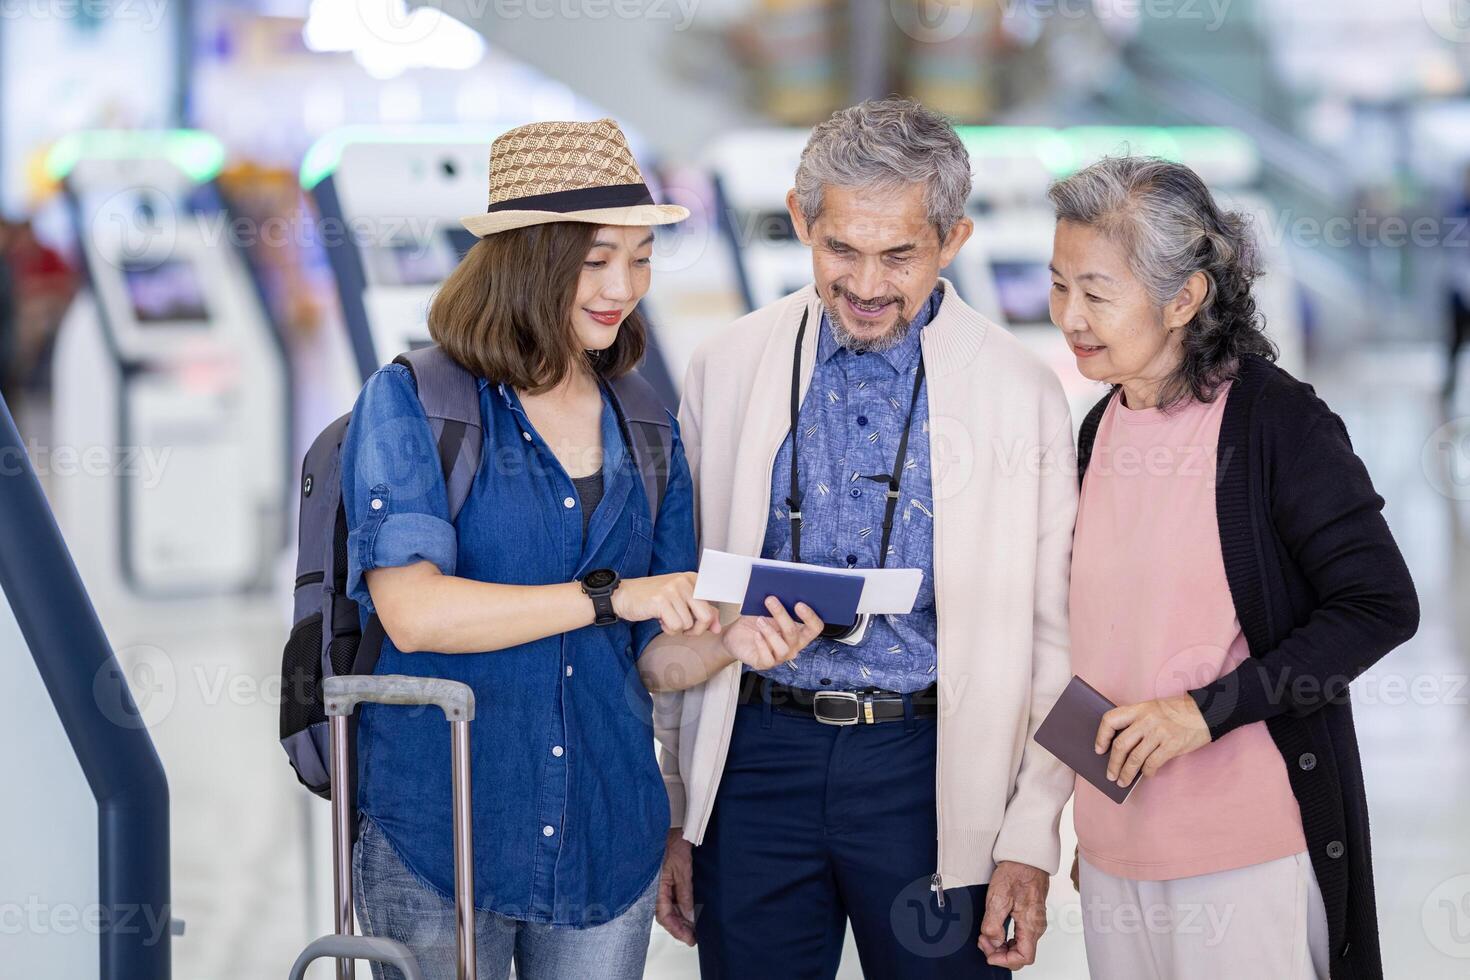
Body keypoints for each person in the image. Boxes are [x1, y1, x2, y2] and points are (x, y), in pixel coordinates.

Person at [639, 97, 1077, 977]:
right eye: (841, 248)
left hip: (933, 768)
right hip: (756, 764)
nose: (868, 283)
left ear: (952, 239)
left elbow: (1056, 640)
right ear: (802, 219)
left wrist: (1031, 836)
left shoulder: (1020, 391)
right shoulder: (726, 367)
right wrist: (678, 813)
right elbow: (681, 602)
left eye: (900, 254)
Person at [340, 118, 719, 980]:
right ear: (528, 258)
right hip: (443, 828)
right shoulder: (417, 403)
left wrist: (733, 636)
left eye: (641, 257)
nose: (623, 285)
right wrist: (607, 596)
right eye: (594, 260)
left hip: (607, 829)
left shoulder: (649, 421)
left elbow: (653, 658)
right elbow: (416, 611)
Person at [1047, 156, 1419, 980]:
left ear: (1184, 298)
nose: (1070, 317)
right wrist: (1098, 839)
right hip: (1118, 849)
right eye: (1059, 285)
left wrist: (1203, 713)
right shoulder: (1096, 428)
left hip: (1247, 851)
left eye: (1098, 293)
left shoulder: (1277, 422)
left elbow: (1379, 604)